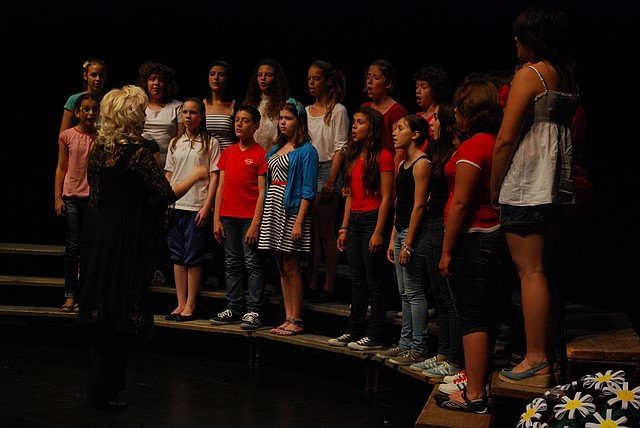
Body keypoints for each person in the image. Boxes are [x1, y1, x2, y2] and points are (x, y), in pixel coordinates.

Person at [78, 85, 208, 411]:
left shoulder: (100, 151)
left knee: (105, 310)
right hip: (124, 239)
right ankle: (105, 388)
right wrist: (195, 175)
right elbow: (165, 193)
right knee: (118, 311)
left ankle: (100, 386)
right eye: (140, 110)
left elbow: (96, 197)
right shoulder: (137, 155)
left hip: (100, 236)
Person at [491, 5, 579, 388]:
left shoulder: (530, 74)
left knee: (530, 271)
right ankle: (547, 354)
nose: (515, 40)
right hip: (555, 184)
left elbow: (506, 138)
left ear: (534, 37)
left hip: (528, 182)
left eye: (520, 34)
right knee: (544, 271)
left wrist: (495, 187)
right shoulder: (566, 75)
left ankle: (536, 357)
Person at [434, 80, 506, 414]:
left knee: (472, 316)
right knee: (482, 315)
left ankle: (475, 394)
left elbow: (462, 203)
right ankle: (478, 384)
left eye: (460, 107)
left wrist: (447, 251)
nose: (456, 113)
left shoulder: (475, 145)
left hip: (474, 238)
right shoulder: (495, 141)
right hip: (489, 237)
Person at [328, 107, 394, 351]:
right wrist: (344, 227)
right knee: (357, 280)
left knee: (375, 280)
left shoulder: (383, 157)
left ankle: (374, 334)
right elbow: (350, 196)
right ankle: (353, 330)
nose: (354, 127)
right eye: (354, 122)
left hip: (372, 220)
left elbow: (387, 198)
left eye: (360, 122)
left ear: (372, 128)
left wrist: (378, 231)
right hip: (355, 221)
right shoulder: (355, 156)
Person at [408, 100, 464, 375]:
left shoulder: (454, 150)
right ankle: (442, 353)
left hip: (443, 225)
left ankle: (454, 359)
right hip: (432, 225)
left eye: (437, 119)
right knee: (439, 295)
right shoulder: (438, 150)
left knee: (449, 297)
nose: (432, 122)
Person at [259, 98, 318, 336]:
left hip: (291, 211)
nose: (283, 122)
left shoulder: (306, 151)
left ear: (299, 122)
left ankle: (297, 319)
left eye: (288, 118)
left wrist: (299, 222)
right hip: (273, 209)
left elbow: (308, 190)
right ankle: (287, 316)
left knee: (292, 267)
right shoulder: (276, 149)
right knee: (281, 267)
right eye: (281, 118)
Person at [376, 114, 430, 365]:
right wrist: (392, 238)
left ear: (415, 134)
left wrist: (408, 241)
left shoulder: (422, 163)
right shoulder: (402, 164)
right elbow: (400, 203)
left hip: (413, 233)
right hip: (400, 231)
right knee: (404, 292)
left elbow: (420, 205)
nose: (394, 133)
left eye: (400, 128)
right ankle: (405, 344)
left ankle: (418, 347)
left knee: (414, 291)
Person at [210, 106, 267, 330]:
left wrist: (256, 223)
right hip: (228, 216)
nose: (239, 124)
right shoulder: (228, 152)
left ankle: (254, 309)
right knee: (232, 263)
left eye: (245, 121)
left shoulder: (260, 154)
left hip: (248, 218)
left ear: (256, 126)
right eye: (237, 120)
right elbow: (220, 187)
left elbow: (262, 192)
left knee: (252, 263)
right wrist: (216, 218)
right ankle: (234, 306)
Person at [164, 98, 221, 322]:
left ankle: (190, 304)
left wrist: (207, 206)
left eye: (193, 112)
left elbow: (214, 176)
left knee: (192, 257)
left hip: (196, 205)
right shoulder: (175, 142)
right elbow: (169, 173)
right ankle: (180, 303)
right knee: (177, 257)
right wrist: (166, 200)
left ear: (202, 115)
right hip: (176, 205)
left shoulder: (210, 143)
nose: (188, 116)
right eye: (185, 112)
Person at [305, 60, 349, 303]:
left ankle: (329, 285)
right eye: (309, 78)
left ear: (328, 81)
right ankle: (312, 282)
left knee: (325, 231)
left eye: (316, 78)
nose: (311, 83)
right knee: (310, 231)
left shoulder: (337, 110)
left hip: (328, 168)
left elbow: (340, 147)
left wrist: (331, 181)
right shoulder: (306, 111)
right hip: (309, 169)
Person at [136, 61, 184, 287]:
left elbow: (180, 140)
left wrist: (171, 172)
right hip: (142, 171)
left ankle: (162, 268)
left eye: (160, 80)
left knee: (164, 222)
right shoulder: (139, 105)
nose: (156, 83)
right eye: (152, 79)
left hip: (168, 171)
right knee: (144, 221)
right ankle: (144, 267)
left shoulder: (176, 107)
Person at [54, 93, 100, 312]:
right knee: (73, 247)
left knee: (90, 247)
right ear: (77, 112)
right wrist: (57, 197)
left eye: (94, 109)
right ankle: (70, 294)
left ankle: (86, 295)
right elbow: (61, 167)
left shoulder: (101, 138)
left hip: (92, 198)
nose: (90, 113)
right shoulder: (67, 136)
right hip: (71, 196)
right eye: (86, 109)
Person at [362, 59, 408, 171]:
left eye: (376, 78)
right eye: (368, 77)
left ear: (388, 84)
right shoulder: (365, 108)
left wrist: (393, 177)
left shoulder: (396, 111)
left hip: (385, 169)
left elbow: (400, 151)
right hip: (366, 165)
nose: (369, 81)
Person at [242, 58, 289, 151]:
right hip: (250, 155)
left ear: (276, 78)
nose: (263, 78)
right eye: (260, 75)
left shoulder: (284, 105)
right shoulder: (250, 103)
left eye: (268, 75)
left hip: (274, 155)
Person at [59, 59, 107, 135]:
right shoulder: (74, 100)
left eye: (101, 76)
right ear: (85, 75)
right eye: (94, 75)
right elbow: (63, 135)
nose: (98, 79)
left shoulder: (109, 100)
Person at [204, 61, 237, 152]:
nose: (216, 78)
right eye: (212, 74)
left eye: (221, 74)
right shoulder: (201, 105)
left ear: (227, 79)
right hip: (206, 155)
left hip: (228, 155)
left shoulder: (234, 105)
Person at [413, 66, 451, 144]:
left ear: (435, 91)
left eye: (423, 87)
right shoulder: (416, 117)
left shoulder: (440, 118)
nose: (418, 91)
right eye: (417, 87)